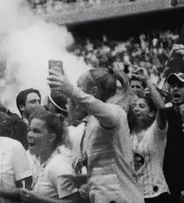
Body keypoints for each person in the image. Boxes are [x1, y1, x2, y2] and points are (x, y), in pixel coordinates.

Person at [48, 67, 144, 203]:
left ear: (93, 91)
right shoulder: (93, 119)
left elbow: (109, 115)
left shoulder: (116, 111)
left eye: (79, 86)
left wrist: (71, 90)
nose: (76, 89)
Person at [128, 68, 170, 202]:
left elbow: (162, 108)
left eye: (141, 106)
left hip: (158, 195)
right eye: (135, 106)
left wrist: (147, 80)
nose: (136, 108)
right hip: (137, 196)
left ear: (152, 113)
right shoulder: (130, 133)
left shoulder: (157, 131)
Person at [19, 112, 82, 203]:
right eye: (29, 130)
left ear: (51, 137)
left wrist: (38, 199)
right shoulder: (34, 159)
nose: (30, 135)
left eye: (36, 131)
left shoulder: (59, 166)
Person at [163, 72, 184, 202]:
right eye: (173, 86)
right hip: (168, 183)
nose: (175, 88)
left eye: (180, 85)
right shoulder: (165, 114)